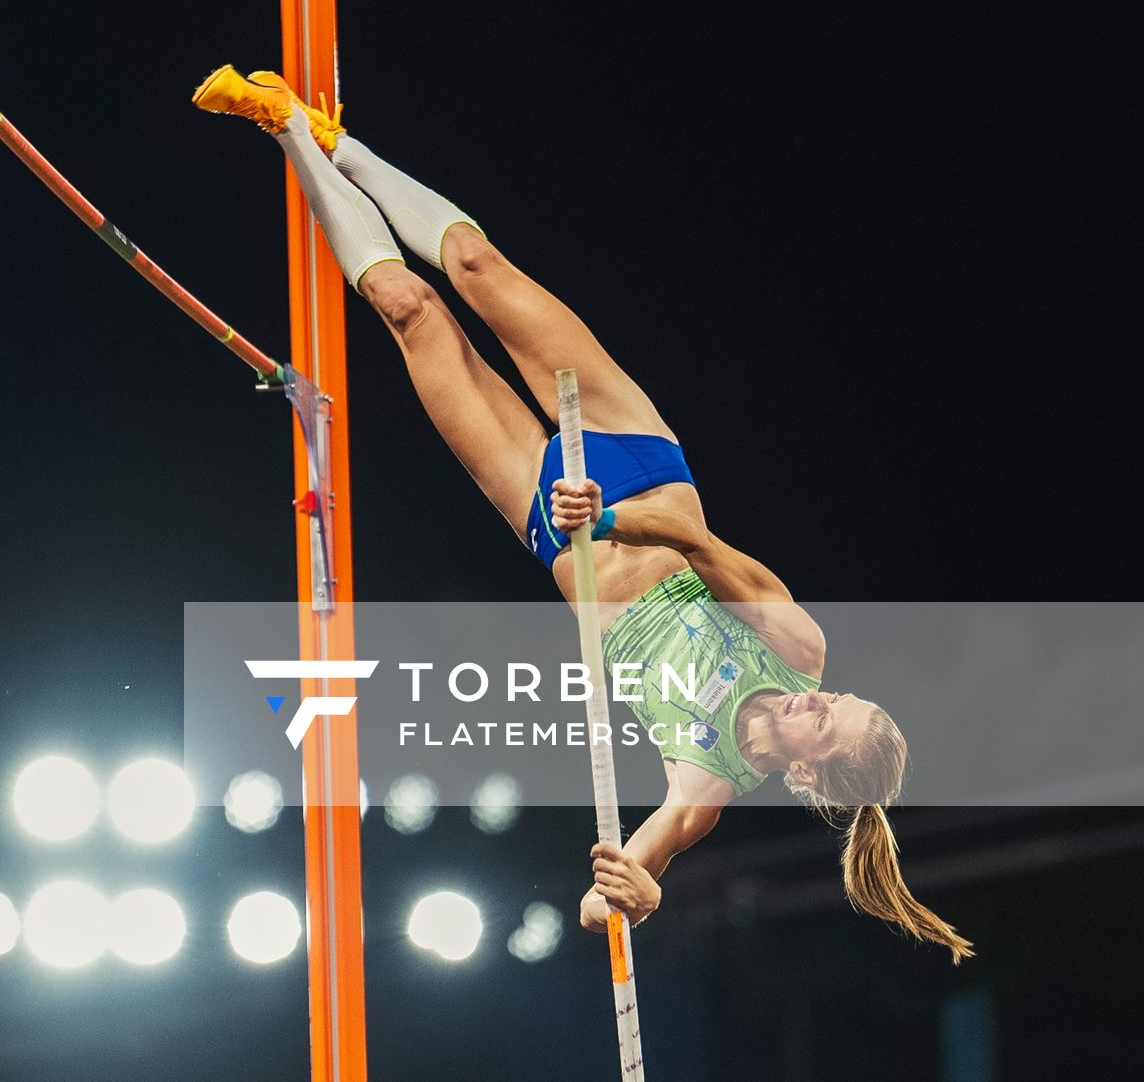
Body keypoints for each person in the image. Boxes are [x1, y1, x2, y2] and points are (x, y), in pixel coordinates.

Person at [193, 65, 972, 962]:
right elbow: (695, 541)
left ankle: (287, 128)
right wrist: (608, 517)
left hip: (549, 521)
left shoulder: (706, 780)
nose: (827, 696)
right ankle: (348, 150)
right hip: (634, 467)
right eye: (847, 700)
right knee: (480, 269)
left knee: (411, 312)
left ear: (804, 768)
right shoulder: (798, 651)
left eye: (830, 718)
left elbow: (615, 885)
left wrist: (629, 901)